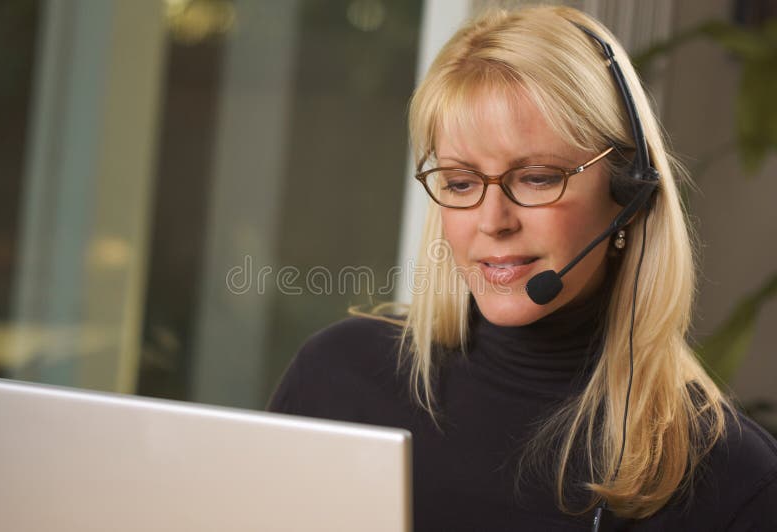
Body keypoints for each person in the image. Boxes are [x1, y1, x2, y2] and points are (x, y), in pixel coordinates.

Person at [267, 5, 777, 531]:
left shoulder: (731, 479)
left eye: (536, 177)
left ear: (629, 193)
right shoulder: (334, 380)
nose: (492, 221)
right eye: (461, 183)